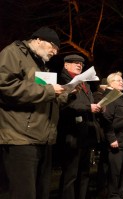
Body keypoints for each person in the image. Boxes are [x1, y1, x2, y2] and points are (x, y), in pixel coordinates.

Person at [0, 27, 65, 199]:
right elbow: (5, 87)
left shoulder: (40, 64)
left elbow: (41, 96)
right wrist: (49, 91)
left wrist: (65, 93)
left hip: (41, 138)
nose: (55, 52)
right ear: (38, 40)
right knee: (24, 193)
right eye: (53, 47)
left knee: (41, 192)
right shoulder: (13, 53)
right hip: (20, 138)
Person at [57, 54, 101, 199]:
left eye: (81, 64)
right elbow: (66, 104)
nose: (79, 65)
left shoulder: (85, 83)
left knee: (84, 171)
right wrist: (89, 107)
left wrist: (99, 106)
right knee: (70, 174)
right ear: (65, 65)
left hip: (86, 134)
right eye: (75, 63)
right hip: (72, 134)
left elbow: (90, 102)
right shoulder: (61, 81)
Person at [101, 72, 123, 199]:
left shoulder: (120, 97)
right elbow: (106, 120)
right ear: (110, 83)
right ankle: (113, 194)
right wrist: (112, 139)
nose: (122, 82)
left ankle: (122, 192)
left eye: (122, 80)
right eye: (118, 80)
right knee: (115, 171)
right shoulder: (110, 97)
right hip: (117, 141)